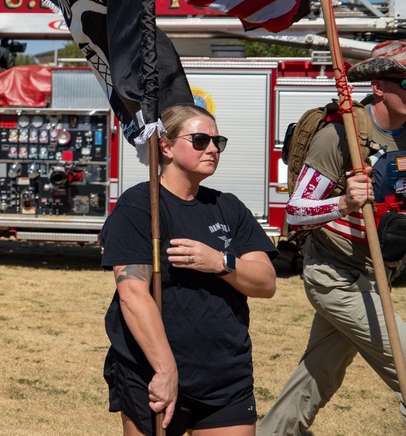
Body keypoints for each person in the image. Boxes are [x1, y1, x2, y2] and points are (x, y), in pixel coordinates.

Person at [100, 103, 277, 436]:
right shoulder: (139, 205)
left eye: (217, 141)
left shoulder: (228, 207)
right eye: (199, 140)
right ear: (165, 146)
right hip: (152, 372)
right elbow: (132, 294)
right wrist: (165, 370)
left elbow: (266, 283)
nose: (211, 148)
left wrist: (220, 262)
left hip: (226, 375)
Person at [259, 40, 406, 435]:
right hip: (335, 277)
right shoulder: (340, 135)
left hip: (378, 276)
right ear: (379, 86)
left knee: (317, 375)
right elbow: (294, 212)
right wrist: (343, 202)